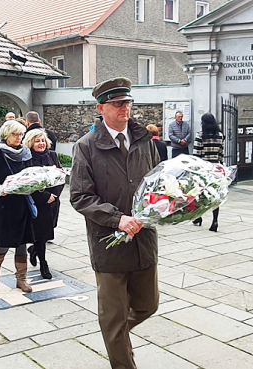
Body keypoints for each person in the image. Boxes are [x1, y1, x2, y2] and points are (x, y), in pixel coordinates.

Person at [69, 77, 161, 369]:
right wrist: (117, 219)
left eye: (128, 102)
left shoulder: (145, 140)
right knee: (113, 317)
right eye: (118, 103)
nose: (125, 108)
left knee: (148, 305)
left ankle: (116, 335)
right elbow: (80, 196)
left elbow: (157, 182)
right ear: (101, 108)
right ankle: (120, 350)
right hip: (108, 246)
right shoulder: (86, 147)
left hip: (143, 240)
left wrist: (169, 203)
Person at [0, 120, 35, 293]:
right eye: (15, 134)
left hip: (22, 203)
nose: (19, 138)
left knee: (22, 243)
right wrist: (0, 190)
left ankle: (21, 280)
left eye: (21, 134)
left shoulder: (26, 152)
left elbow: (30, 174)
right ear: (6, 135)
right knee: (4, 241)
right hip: (3, 205)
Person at [24, 129, 64, 279]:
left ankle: (34, 250)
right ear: (30, 142)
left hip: (53, 202)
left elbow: (60, 176)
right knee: (41, 234)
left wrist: (54, 195)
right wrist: (44, 196)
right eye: (37, 141)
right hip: (38, 203)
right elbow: (28, 182)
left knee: (48, 232)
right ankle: (43, 263)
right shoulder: (27, 159)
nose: (40, 144)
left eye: (42, 140)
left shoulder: (52, 155)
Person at [191, 113, 224, 232]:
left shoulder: (200, 136)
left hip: (203, 168)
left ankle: (198, 217)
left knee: (199, 193)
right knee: (215, 194)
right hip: (215, 168)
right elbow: (221, 154)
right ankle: (215, 220)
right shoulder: (220, 135)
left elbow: (196, 155)